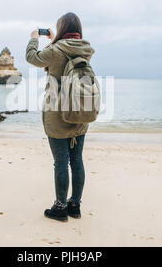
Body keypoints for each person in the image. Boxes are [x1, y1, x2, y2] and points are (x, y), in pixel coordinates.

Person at [26, 12, 95, 222]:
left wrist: (34, 38)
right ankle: (75, 205)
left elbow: (33, 58)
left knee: (61, 162)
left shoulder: (56, 50)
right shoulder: (86, 49)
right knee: (77, 160)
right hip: (80, 111)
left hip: (57, 115)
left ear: (62, 28)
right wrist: (56, 40)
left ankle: (60, 208)